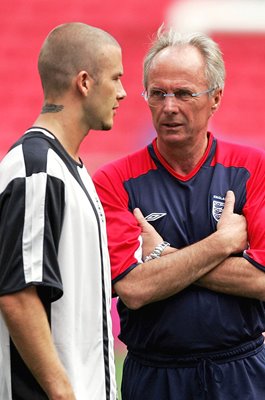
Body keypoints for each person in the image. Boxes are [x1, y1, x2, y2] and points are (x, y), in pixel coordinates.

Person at [93, 27, 265, 400]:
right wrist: (223, 244)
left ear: (215, 98)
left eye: (184, 94)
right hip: (156, 375)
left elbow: (261, 282)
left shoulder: (252, 168)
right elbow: (135, 289)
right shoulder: (113, 180)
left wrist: (163, 258)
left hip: (242, 372)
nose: (169, 107)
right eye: (158, 94)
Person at [0, 22, 126, 400]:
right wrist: (63, 394)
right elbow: (18, 294)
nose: (122, 93)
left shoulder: (69, 167)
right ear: (84, 82)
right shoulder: (37, 170)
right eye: (116, 78)